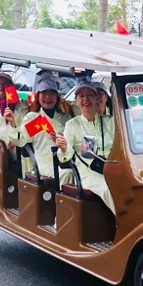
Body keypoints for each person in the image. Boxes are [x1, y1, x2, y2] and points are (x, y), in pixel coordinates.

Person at [55, 81, 116, 214]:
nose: (86, 99)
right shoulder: (72, 125)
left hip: (113, 169)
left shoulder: (109, 121)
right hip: (89, 173)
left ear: (96, 99)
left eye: (89, 95)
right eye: (81, 96)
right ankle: (126, 226)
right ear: (76, 100)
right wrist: (64, 147)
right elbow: (66, 156)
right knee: (109, 189)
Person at [14, 75, 73, 178]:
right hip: (45, 163)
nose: (48, 97)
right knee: (68, 174)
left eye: (51, 93)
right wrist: (12, 124)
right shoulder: (32, 117)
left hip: (67, 161)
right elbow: (22, 140)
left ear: (57, 97)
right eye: (44, 93)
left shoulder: (65, 118)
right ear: (38, 96)